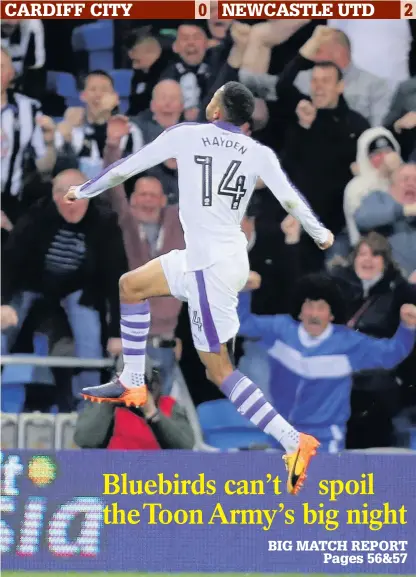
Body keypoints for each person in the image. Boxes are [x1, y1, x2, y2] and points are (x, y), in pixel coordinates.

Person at [64, 81, 334, 495]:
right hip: (207, 258)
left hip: (211, 267)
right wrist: (319, 233)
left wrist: (84, 189)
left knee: (219, 369)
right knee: (131, 285)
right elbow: (292, 199)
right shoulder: (259, 152)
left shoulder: (186, 134)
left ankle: (295, 442)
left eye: (212, 97)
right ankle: (133, 378)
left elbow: (127, 167)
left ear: (215, 109)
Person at [237, 273, 416, 453]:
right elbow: (242, 323)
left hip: (324, 440)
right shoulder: (279, 329)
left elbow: (391, 354)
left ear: (332, 315)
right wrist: (244, 291)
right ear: (299, 311)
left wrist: (407, 328)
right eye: (309, 306)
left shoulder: (349, 343)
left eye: (321, 308)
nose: (314, 314)